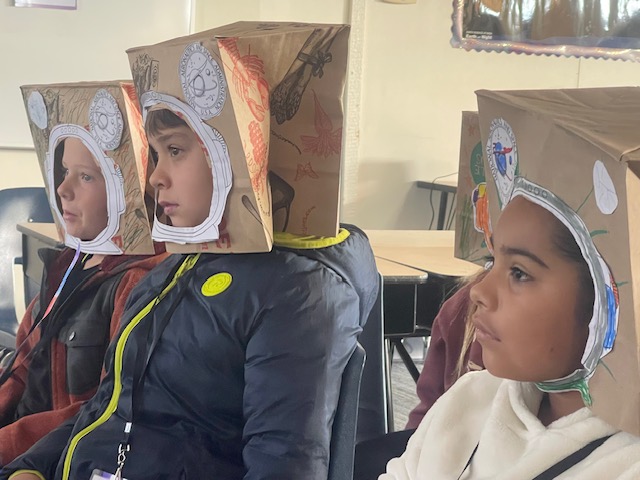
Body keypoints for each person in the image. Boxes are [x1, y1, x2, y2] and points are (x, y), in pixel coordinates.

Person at [1, 93, 379, 479]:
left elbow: (284, 460)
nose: (153, 177)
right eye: (157, 154)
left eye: (176, 150)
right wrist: (30, 466)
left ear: (243, 156)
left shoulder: (299, 292)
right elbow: (109, 406)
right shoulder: (175, 272)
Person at [380, 189, 640, 479]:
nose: (479, 291)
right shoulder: (471, 397)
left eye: (519, 273)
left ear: (610, 304)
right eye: (491, 263)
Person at [0, 133, 165, 465]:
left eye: (86, 176)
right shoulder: (68, 262)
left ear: (129, 190)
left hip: (54, 456)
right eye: (64, 171)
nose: (63, 188)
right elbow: (22, 370)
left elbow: (102, 410)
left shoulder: (136, 282)